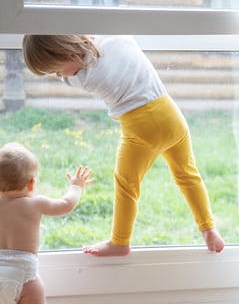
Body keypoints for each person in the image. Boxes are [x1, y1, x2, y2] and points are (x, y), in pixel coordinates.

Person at [21, 35, 225, 257]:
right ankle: (209, 228)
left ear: (69, 55)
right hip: (172, 115)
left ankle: (120, 242)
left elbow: (72, 76)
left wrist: (65, 71)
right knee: (187, 174)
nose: (59, 76)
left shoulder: (88, 78)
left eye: (57, 71)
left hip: (142, 127)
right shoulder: (116, 40)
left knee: (126, 183)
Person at [0, 142, 93, 304]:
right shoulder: (35, 204)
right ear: (31, 183)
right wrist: (76, 186)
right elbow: (66, 204)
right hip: (24, 274)